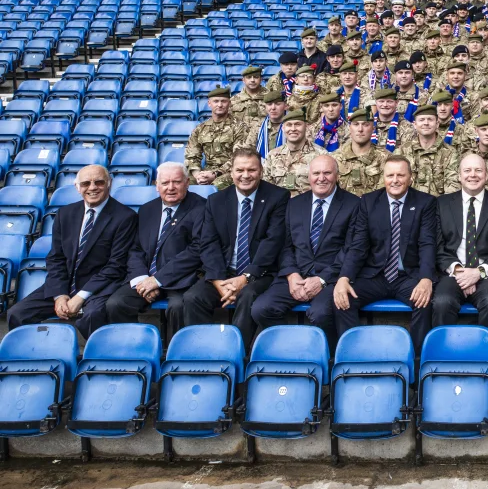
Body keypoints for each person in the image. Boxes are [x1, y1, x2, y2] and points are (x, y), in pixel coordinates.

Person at [6, 165, 136, 337]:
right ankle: (31, 357)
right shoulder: (65, 213)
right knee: (17, 313)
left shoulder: (125, 217)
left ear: (109, 183)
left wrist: (80, 297)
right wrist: (59, 294)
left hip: (100, 286)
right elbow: (56, 258)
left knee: (92, 316)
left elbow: (116, 265)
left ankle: (96, 359)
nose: (92, 187)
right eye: (85, 183)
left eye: (99, 182)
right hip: (65, 283)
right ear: (77, 187)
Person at [185, 148, 290, 347]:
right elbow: (208, 242)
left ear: (261, 171)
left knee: (247, 295)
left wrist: (246, 277)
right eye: (240, 170)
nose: (245, 175)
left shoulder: (278, 197)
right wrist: (218, 281)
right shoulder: (216, 201)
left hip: (260, 273)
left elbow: (273, 241)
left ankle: (236, 354)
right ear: (231, 172)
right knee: (193, 298)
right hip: (223, 273)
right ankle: (201, 352)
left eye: (251, 170)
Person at [333, 154, 439, 349]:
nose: (395, 180)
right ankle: (354, 355)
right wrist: (344, 278)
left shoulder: (426, 203)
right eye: (390, 175)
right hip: (376, 274)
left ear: (410, 178)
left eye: (401, 175)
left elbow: (427, 244)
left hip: (407, 275)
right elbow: (358, 245)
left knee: (425, 301)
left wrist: (426, 279)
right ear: (383, 177)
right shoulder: (368, 202)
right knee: (343, 298)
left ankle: (415, 361)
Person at [250, 155, 357, 346]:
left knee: (321, 313)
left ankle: (329, 358)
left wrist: (322, 279)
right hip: (297, 276)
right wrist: (292, 275)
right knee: (261, 309)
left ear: (337, 176)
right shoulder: (294, 204)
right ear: (309, 176)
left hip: (332, 278)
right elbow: (284, 246)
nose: (321, 178)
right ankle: (292, 348)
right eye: (316, 173)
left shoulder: (353, 205)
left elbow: (351, 250)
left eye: (327, 173)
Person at [104, 162, 206, 339]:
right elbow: (135, 249)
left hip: (182, 280)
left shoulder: (202, 208)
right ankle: (135, 350)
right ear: (156, 186)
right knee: (116, 303)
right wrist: (143, 279)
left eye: (177, 182)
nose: (171, 188)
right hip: (146, 278)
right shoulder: (147, 209)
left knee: (178, 307)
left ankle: (177, 356)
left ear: (187, 183)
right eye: (165, 183)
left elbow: (196, 251)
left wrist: (158, 280)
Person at [433, 153, 488, 337]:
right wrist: (461, 272)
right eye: (467, 170)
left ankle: (485, 358)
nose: (473, 175)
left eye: (478, 170)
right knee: (442, 302)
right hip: (453, 273)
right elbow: (437, 247)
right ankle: (443, 358)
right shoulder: (442, 204)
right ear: (459, 176)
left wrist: (478, 273)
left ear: (486, 175)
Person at [186, 87, 250, 190]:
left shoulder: (239, 127)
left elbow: (239, 157)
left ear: (229, 103)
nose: (220, 105)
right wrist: (198, 175)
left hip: (231, 171)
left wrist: (216, 173)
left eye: (223, 101)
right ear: (209, 103)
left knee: (216, 185)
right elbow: (192, 156)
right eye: (216, 101)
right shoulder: (200, 129)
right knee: (184, 182)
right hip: (206, 171)